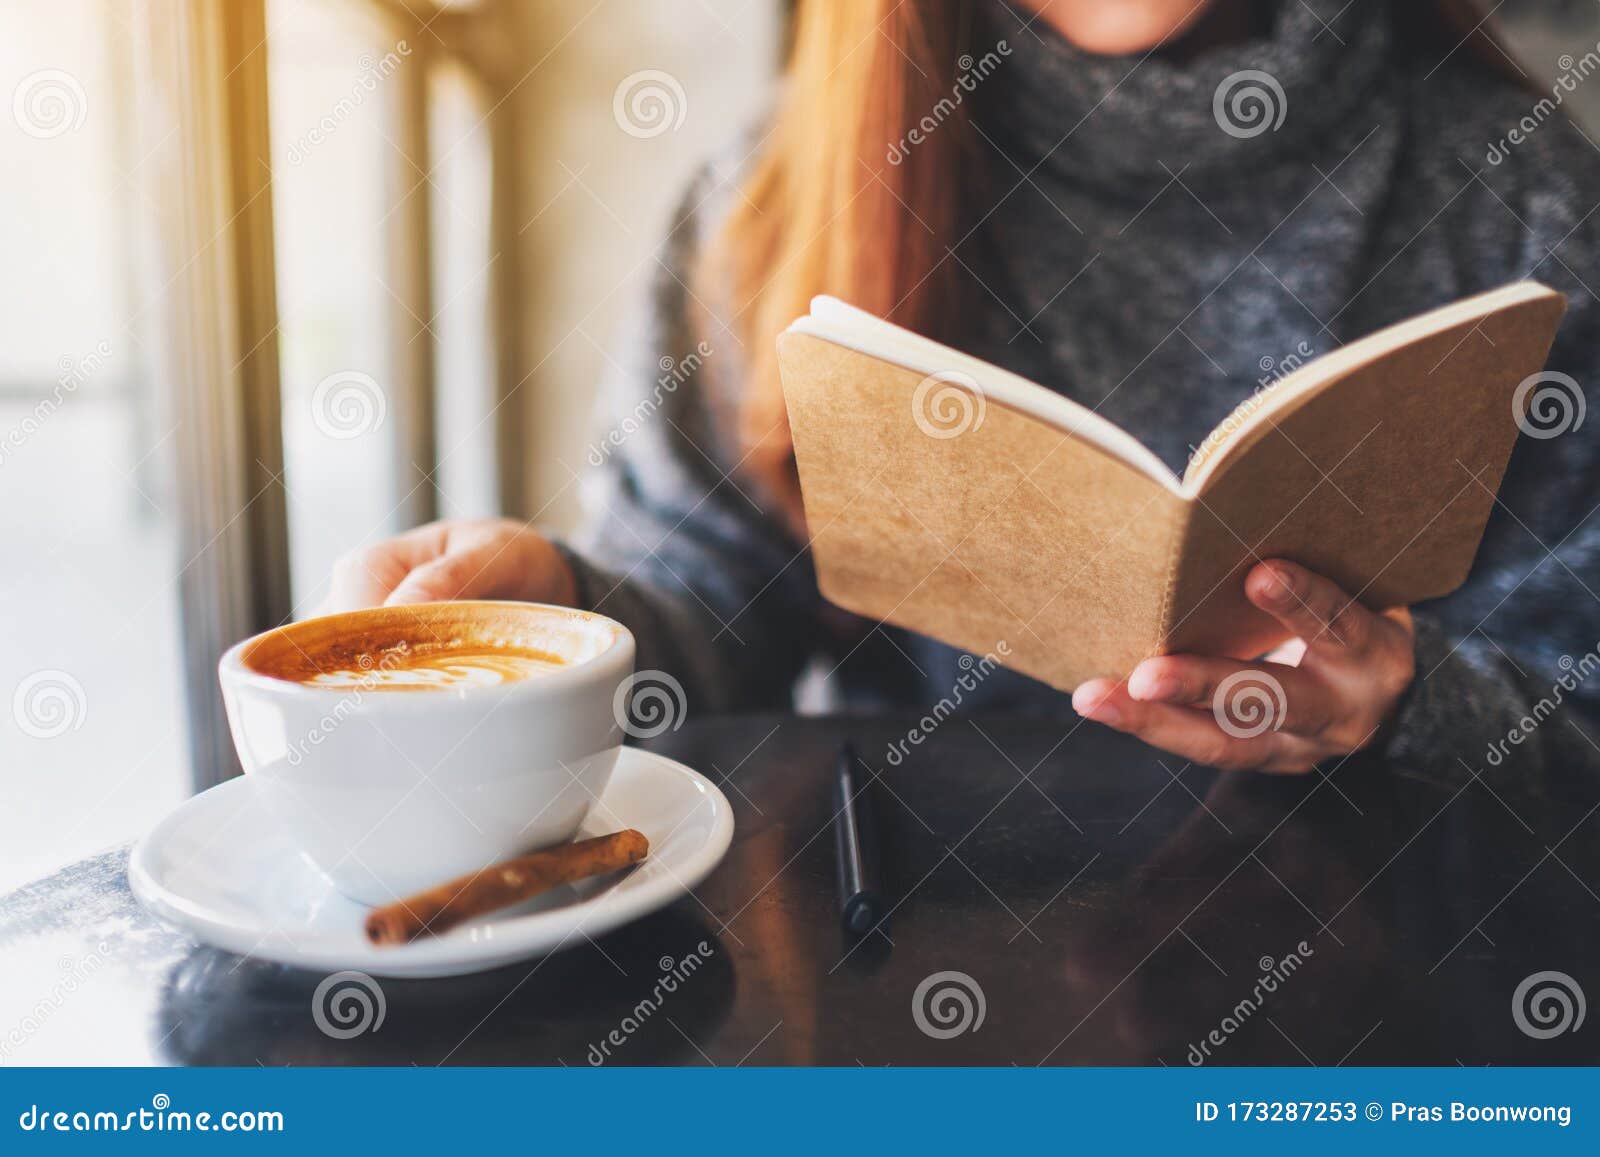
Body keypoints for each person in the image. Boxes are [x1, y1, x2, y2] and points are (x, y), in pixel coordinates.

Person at [327, 0, 1600, 776]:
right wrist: (564, 613)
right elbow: (707, 608)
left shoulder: (1521, 188)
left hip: (1388, 984)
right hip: (905, 948)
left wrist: (1413, 700)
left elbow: (1575, 698)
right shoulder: (786, 186)